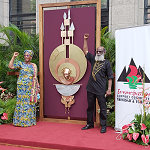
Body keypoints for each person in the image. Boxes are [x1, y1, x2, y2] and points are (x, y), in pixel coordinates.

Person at [81, 34, 113, 133]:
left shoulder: (107, 63)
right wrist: (85, 40)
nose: (98, 53)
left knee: (103, 108)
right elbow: (85, 50)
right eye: (97, 51)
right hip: (90, 88)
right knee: (90, 107)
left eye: (100, 51)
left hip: (101, 89)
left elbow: (110, 77)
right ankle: (90, 124)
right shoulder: (93, 59)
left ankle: (103, 126)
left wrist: (108, 89)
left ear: (104, 52)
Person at [8, 50, 40, 127]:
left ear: (31, 57)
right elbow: (11, 66)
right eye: (25, 55)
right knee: (21, 102)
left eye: (27, 55)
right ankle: (19, 122)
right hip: (21, 87)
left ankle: (28, 121)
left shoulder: (33, 66)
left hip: (30, 87)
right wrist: (14, 57)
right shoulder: (20, 64)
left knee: (29, 103)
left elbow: (35, 77)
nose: (26, 57)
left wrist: (37, 87)